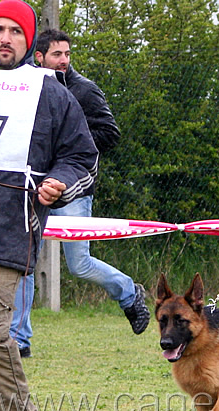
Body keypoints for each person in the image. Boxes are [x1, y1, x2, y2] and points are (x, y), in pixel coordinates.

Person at [0, 0, 98, 411]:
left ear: (29, 41)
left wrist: (59, 184)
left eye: (15, 30)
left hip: (12, 229)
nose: (5, 38)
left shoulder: (51, 94)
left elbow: (83, 157)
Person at [10, 29, 150, 359]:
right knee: (25, 261)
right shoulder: (25, 85)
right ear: (39, 56)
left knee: (80, 264)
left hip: (73, 188)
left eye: (68, 54)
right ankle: (20, 339)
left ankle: (129, 293)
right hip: (33, 188)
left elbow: (109, 134)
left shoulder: (84, 91)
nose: (64, 61)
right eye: (57, 54)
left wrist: (70, 146)